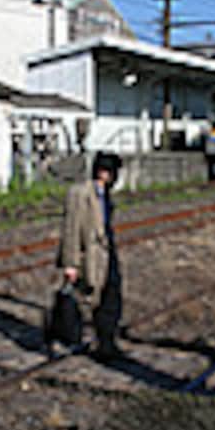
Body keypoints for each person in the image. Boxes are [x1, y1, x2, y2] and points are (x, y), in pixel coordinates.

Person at [57, 151, 124, 360]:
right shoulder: (79, 193)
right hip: (90, 258)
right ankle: (71, 338)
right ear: (104, 173)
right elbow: (71, 230)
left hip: (106, 256)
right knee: (85, 300)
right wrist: (70, 263)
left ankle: (106, 343)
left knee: (111, 299)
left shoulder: (105, 194)